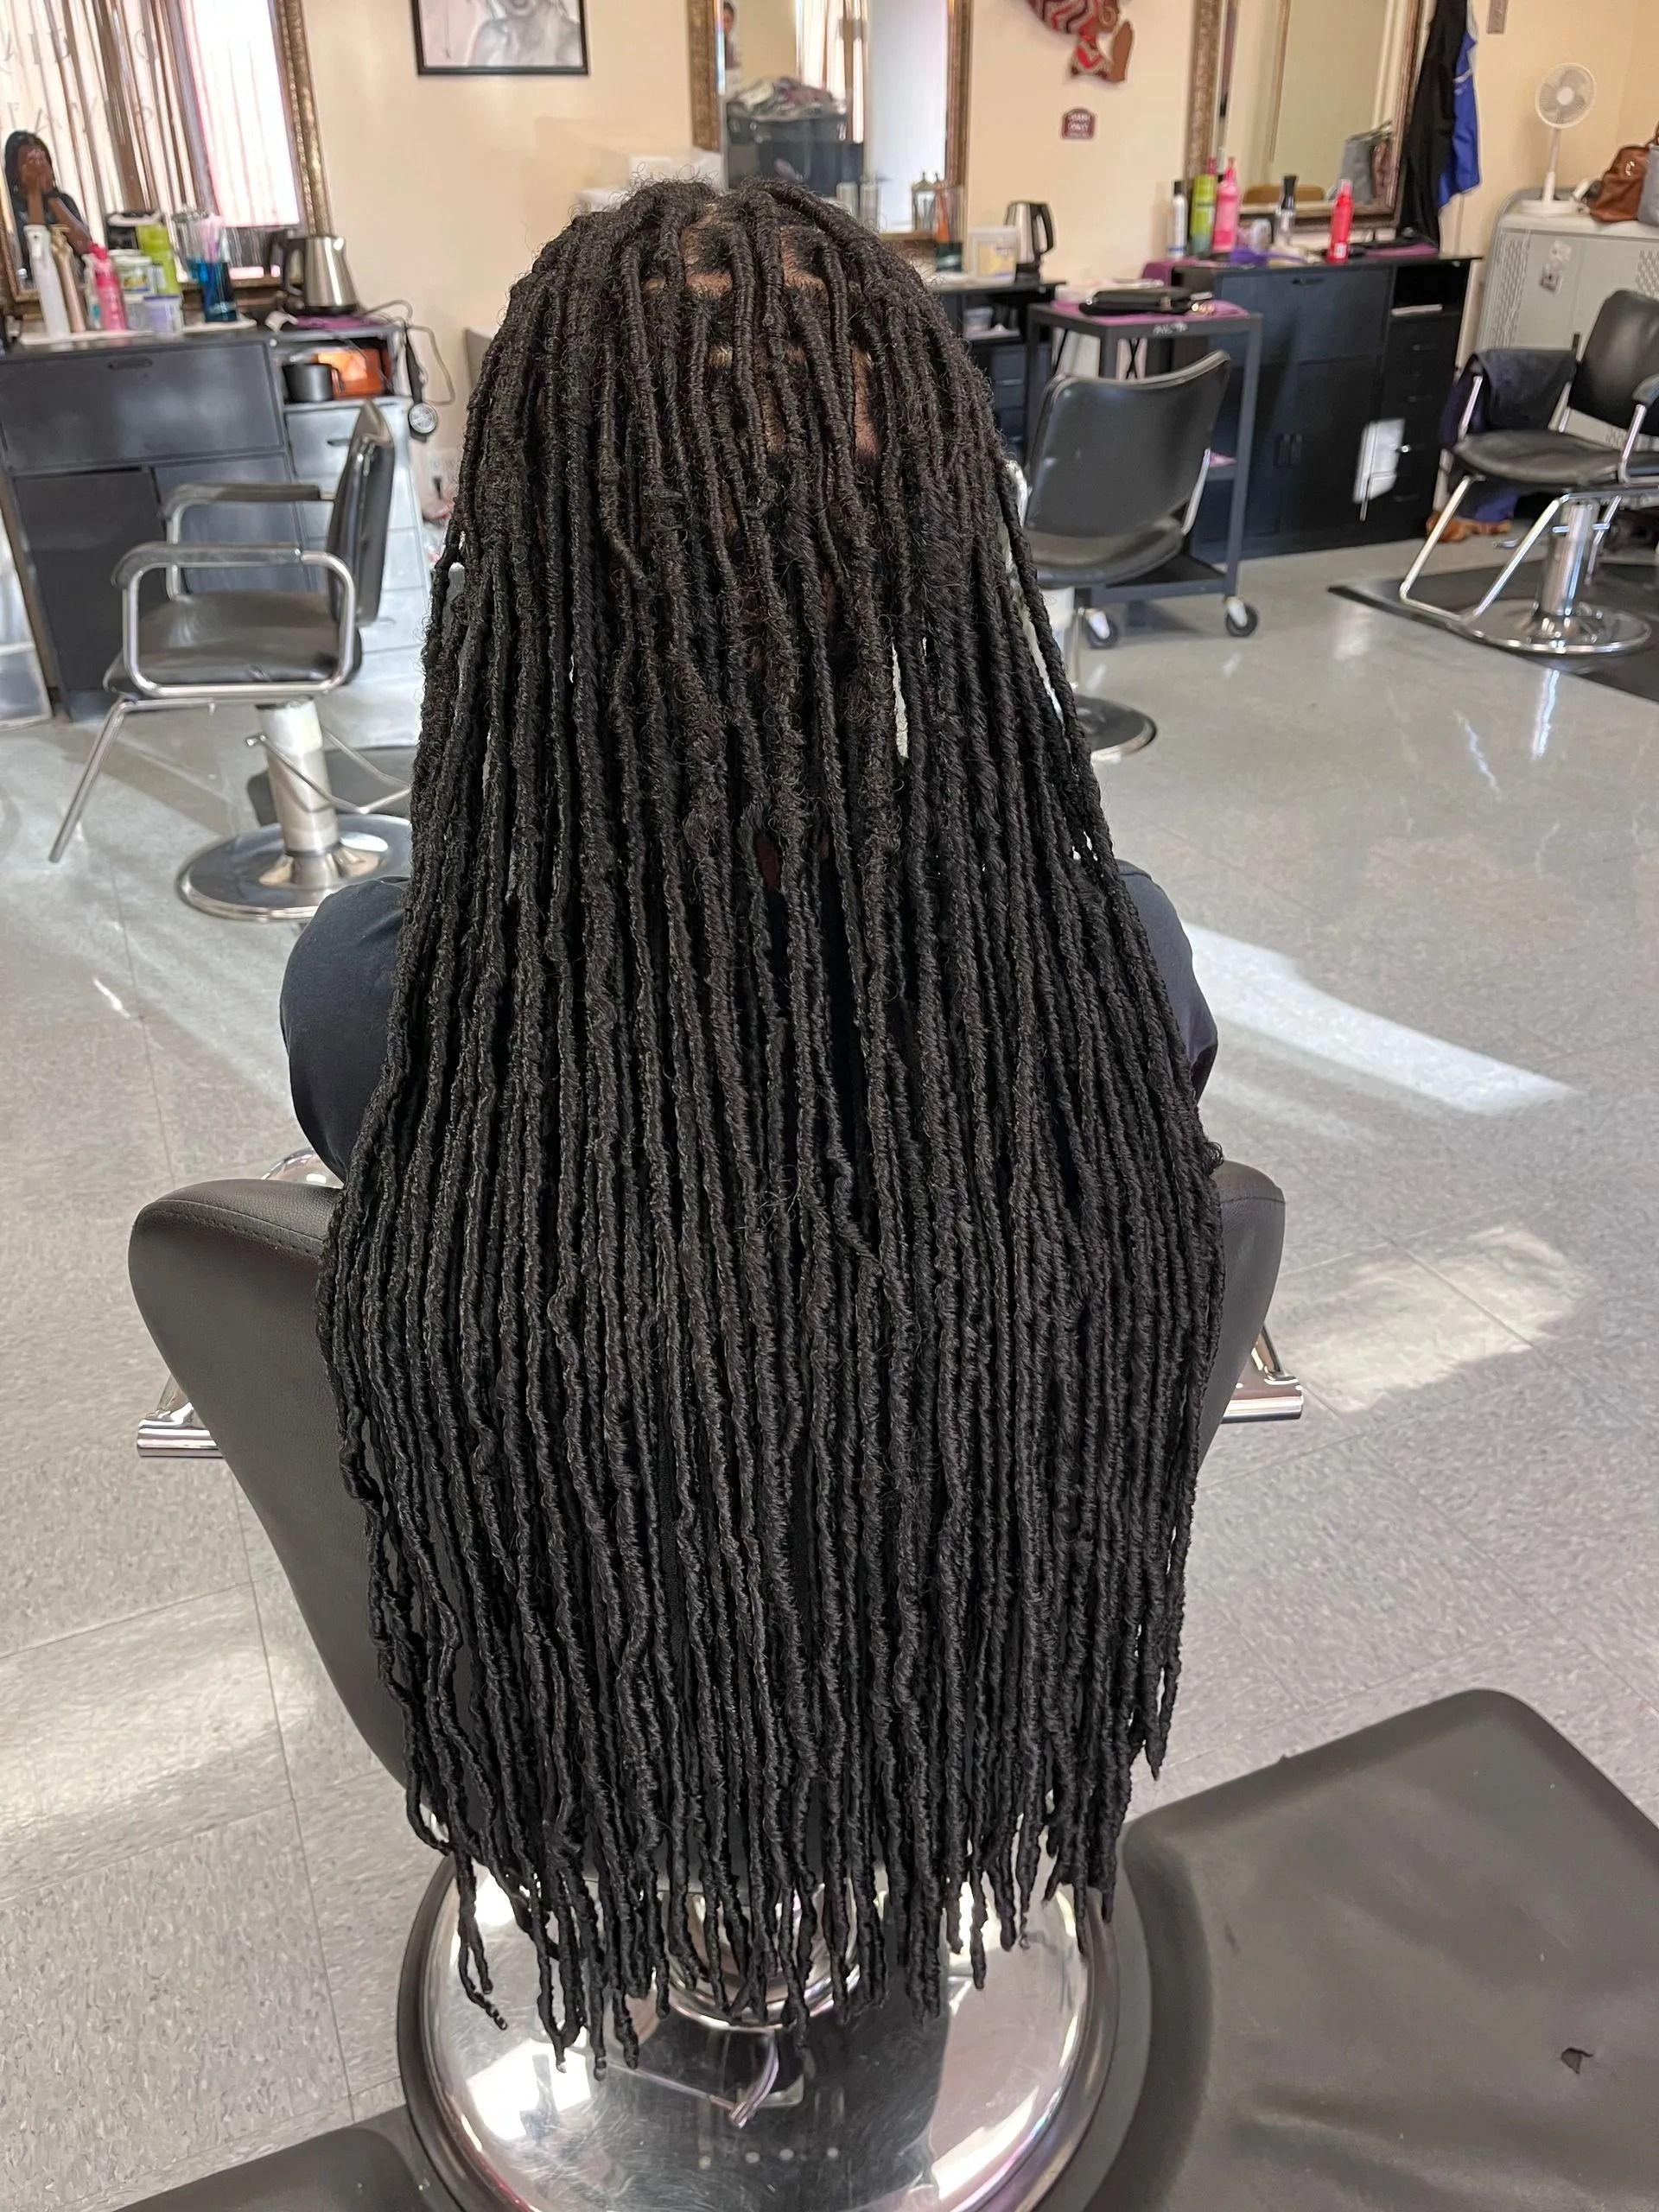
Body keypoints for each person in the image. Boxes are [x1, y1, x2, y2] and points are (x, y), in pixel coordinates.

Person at [293, 180, 1224, 2069]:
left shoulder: (380, 995)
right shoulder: (1110, 970)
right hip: (960, 1701)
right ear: (946, 540)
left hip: (592, 1725)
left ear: (509, 545)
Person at [4, 131, 92, 257]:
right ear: (14, 170)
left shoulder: (64, 200)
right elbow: (37, 254)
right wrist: (33, 191)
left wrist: (50, 194)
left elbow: (85, 247)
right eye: (29, 163)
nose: (37, 168)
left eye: (41, 161)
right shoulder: (11, 210)